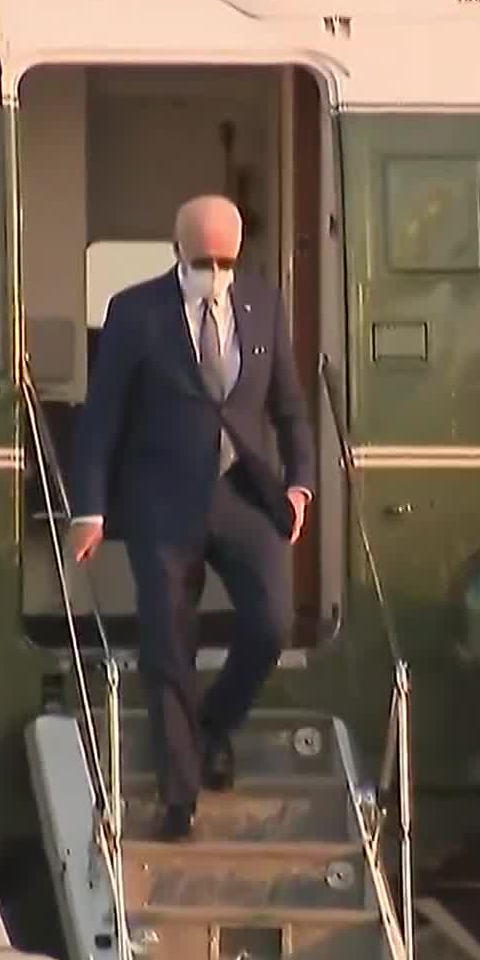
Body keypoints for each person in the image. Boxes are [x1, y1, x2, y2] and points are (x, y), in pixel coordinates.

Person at [68, 193, 315, 842]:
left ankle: (212, 727)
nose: (216, 272)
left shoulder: (263, 306)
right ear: (178, 250)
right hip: (162, 499)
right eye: (204, 259)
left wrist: (300, 487)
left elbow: (290, 408)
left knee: (270, 624)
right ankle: (180, 795)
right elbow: (103, 418)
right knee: (167, 643)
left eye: (226, 260)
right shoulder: (134, 312)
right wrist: (89, 509)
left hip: (245, 493)